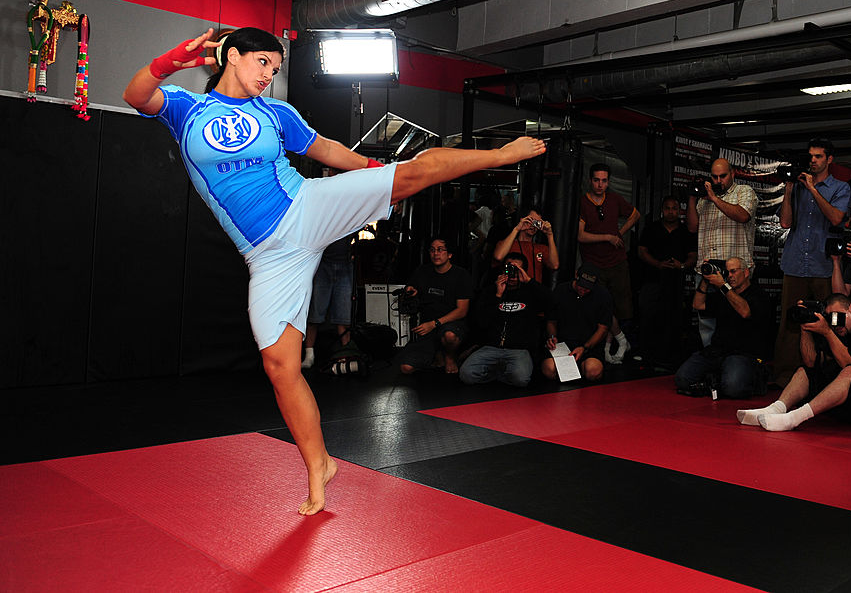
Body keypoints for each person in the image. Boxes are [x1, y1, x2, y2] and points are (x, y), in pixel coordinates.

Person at [122, 27, 546, 515]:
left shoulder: (276, 113)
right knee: (280, 367)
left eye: (276, 70)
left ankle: (499, 154)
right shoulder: (185, 109)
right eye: (262, 63)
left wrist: (371, 171)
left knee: (411, 172)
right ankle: (319, 464)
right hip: (268, 255)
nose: (269, 76)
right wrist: (170, 59)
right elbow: (135, 94)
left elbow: (324, 150)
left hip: (305, 207)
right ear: (232, 56)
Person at [738, 293, 851, 432]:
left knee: (850, 371)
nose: (835, 323)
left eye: (839, 317)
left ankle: (794, 418)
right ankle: (776, 409)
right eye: (831, 318)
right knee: (805, 371)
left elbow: (850, 364)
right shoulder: (838, 331)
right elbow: (810, 362)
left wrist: (827, 332)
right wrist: (806, 327)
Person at [773, 138, 851, 386]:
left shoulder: (841, 188)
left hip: (823, 264)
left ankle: (826, 375)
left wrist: (813, 190)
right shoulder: (797, 187)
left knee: (826, 321)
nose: (813, 161)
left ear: (829, 159)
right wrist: (788, 189)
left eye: (818, 156)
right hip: (796, 263)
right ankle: (785, 376)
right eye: (811, 156)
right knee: (791, 320)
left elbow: (836, 218)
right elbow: (785, 223)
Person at [675, 257, 772, 398]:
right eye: (727, 272)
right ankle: (718, 379)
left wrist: (723, 286)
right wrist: (705, 281)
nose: (730, 276)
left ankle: (731, 380)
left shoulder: (759, 295)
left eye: (733, 271)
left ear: (745, 273)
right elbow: (698, 305)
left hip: (743, 353)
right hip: (717, 351)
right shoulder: (723, 294)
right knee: (682, 379)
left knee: (733, 388)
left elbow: (745, 311)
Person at [686, 159, 758, 346]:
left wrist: (715, 198)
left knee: (737, 321)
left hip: (736, 273)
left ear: (732, 173)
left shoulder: (744, 192)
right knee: (707, 322)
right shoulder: (704, 199)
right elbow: (692, 228)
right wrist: (693, 197)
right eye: (714, 177)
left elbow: (743, 215)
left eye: (723, 176)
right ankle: (710, 361)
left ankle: (736, 362)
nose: (718, 181)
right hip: (708, 271)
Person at [578, 163, 640, 363]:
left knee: (621, 308)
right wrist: (607, 236)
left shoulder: (614, 199)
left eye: (604, 181)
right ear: (590, 180)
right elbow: (581, 236)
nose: (600, 184)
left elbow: (635, 215)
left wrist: (619, 233)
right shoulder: (583, 202)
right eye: (596, 180)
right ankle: (619, 343)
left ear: (608, 182)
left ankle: (613, 347)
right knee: (602, 307)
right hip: (594, 263)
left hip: (617, 261)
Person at [460, 252, 550, 387]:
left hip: (519, 349)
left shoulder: (531, 292)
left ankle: (500, 372)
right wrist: (497, 296)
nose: (512, 275)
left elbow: (552, 302)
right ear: (503, 270)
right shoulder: (490, 291)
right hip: (491, 347)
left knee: (521, 379)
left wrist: (529, 281)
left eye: (517, 270)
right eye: (509, 269)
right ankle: (500, 373)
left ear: (524, 271)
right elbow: (482, 322)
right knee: (466, 374)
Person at [393, 238, 473, 375]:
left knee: (449, 335)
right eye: (432, 250)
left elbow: (462, 311)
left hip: (451, 324)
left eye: (440, 249)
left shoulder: (461, 275)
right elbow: (411, 289)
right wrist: (410, 290)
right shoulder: (422, 272)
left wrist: (434, 323)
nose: (436, 253)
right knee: (406, 368)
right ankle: (436, 355)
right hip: (427, 327)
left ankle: (449, 356)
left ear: (450, 254)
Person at [637, 195, 697, 367]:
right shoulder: (652, 228)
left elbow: (693, 256)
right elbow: (641, 251)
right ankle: (647, 356)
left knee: (674, 320)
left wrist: (682, 265)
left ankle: (672, 357)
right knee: (649, 318)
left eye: (674, 208)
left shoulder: (686, 231)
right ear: (662, 210)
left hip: (676, 284)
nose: (671, 212)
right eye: (667, 208)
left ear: (679, 211)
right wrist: (658, 264)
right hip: (652, 280)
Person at [541, 263, 613, 382]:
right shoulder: (561, 290)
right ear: (576, 276)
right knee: (549, 369)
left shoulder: (603, 295)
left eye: (588, 288)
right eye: (581, 286)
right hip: (563, 346)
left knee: (593, 371)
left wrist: (585, 347)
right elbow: (551, 321)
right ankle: (569, 371)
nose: (583, 290)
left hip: (589, 346)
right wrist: (553, 337)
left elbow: (603, 328)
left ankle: (578, 370)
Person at [302, 231, 356, 370]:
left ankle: (346, 354)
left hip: (344, 264)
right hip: (322, 264)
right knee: (315, 313)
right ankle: (309, 355)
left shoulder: (348, 213)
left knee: (343, 317)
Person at [492, 206, 560, 282]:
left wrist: (550, 235)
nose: (533, 225)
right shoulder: (506, 244)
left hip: (532, 289)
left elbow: (554, 266)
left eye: (537, 223)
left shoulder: (541, 248)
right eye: (531, 221)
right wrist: (517, 229)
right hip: (511, 289)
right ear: (522, 220)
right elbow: (498, 256)